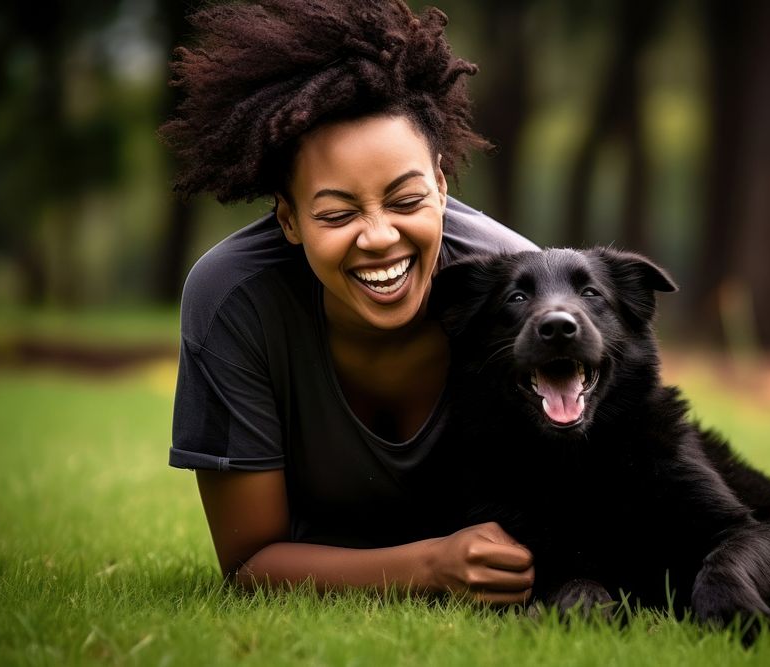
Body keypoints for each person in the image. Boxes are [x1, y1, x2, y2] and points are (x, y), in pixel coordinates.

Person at [161, 0, 538, 605]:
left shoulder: (517, 291)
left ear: (441, 186)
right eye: (337, 213)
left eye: (407, 201)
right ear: (288, 218)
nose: (379, 236)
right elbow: (249, 563)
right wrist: (432, 566)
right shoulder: (234, 300)